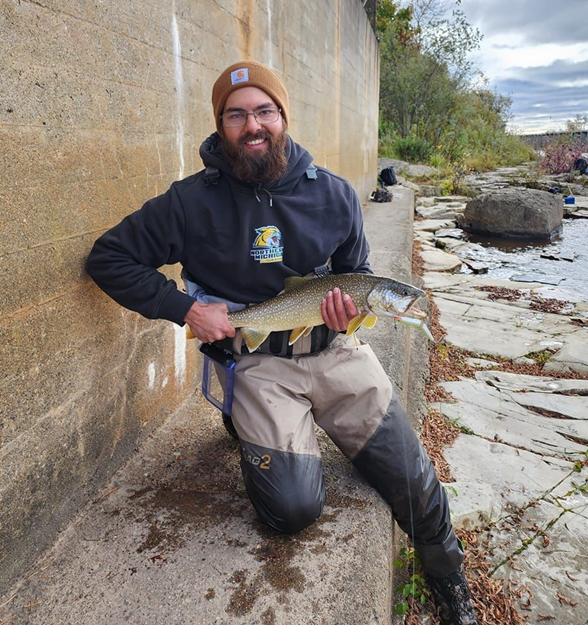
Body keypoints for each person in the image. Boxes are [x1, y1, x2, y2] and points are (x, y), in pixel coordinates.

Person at [86, 61, 477, 624]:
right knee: (292, 510)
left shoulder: (336, 195)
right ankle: (244, 420)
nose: (253, 125)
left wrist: (347, 319)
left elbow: (356, 272)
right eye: (236, 114)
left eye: (264, 111)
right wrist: (187, 308)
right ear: (220, 125)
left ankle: (448, 574)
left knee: (410, 475)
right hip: (258, 362)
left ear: (283, 117)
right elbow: (108, 257)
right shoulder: (188, 202)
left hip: (335, 352)